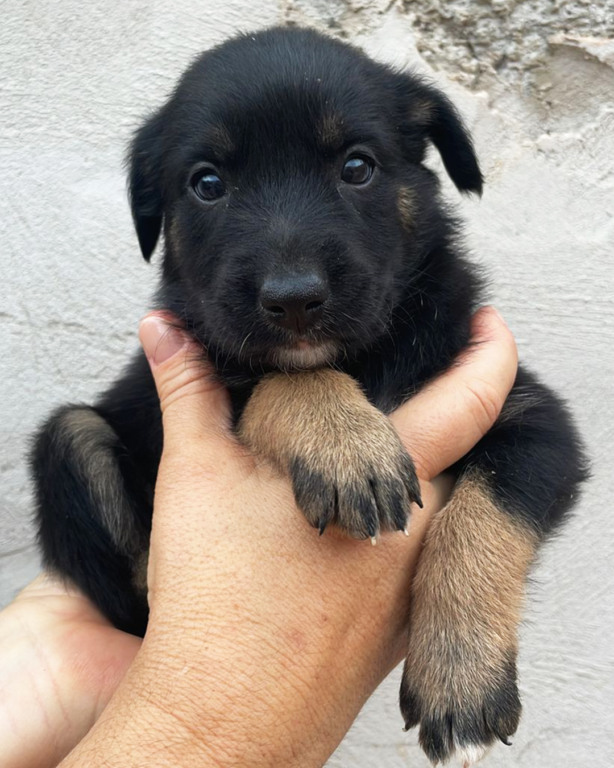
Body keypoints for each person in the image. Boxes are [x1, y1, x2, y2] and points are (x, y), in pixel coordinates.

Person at [0, 307, 517, 768]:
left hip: (77, 659)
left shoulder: (436, 325)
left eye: (354, 188)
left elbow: (535, 443)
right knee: (70, 438)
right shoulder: (217, 332)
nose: (289, 280)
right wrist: (203, 713)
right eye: (209, 190)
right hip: (129, 569)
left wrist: (462, 606)